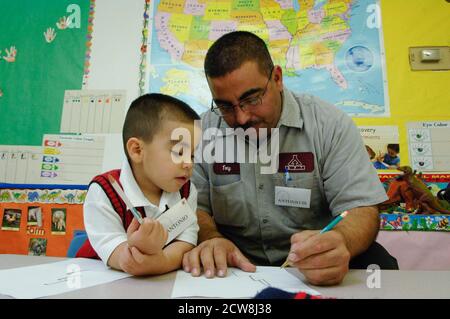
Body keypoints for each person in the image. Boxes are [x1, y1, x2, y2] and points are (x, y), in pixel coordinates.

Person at [183, 31, 397, 286]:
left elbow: (361, 209)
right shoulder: (203, 131)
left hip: (312, 259)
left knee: (380, 263)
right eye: (226, 107)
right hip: (235, 262)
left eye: (251, 99)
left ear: (277, 78)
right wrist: (210, 239)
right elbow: (194, 207)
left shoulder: (329, 124)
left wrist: (341, 241)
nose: (241, 118)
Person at [78, 93, 201, 276]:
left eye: (191, 154)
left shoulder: (187, 191)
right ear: (137, 150)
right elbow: (118, 255)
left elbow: (186, 242)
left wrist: (161, 262)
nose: (189, 163)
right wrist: (139, 251)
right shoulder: (104, 190)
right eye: (179, 151)